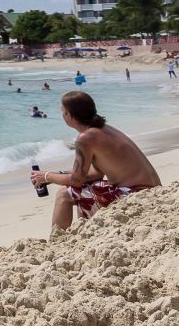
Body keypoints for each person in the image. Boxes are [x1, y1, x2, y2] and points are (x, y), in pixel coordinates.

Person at [29, 91, 161, 230]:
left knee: (65, 193)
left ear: (70, 115)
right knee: (85, 189)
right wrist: (56, 174)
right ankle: (85, 232)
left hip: (135, 194)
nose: (62, 115)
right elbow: (96, 173)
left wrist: (46, 176)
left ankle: (55, 242)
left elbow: (76, 180)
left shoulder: (85, 138)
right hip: (151, 190)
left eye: (63, 111)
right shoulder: (103, 129)